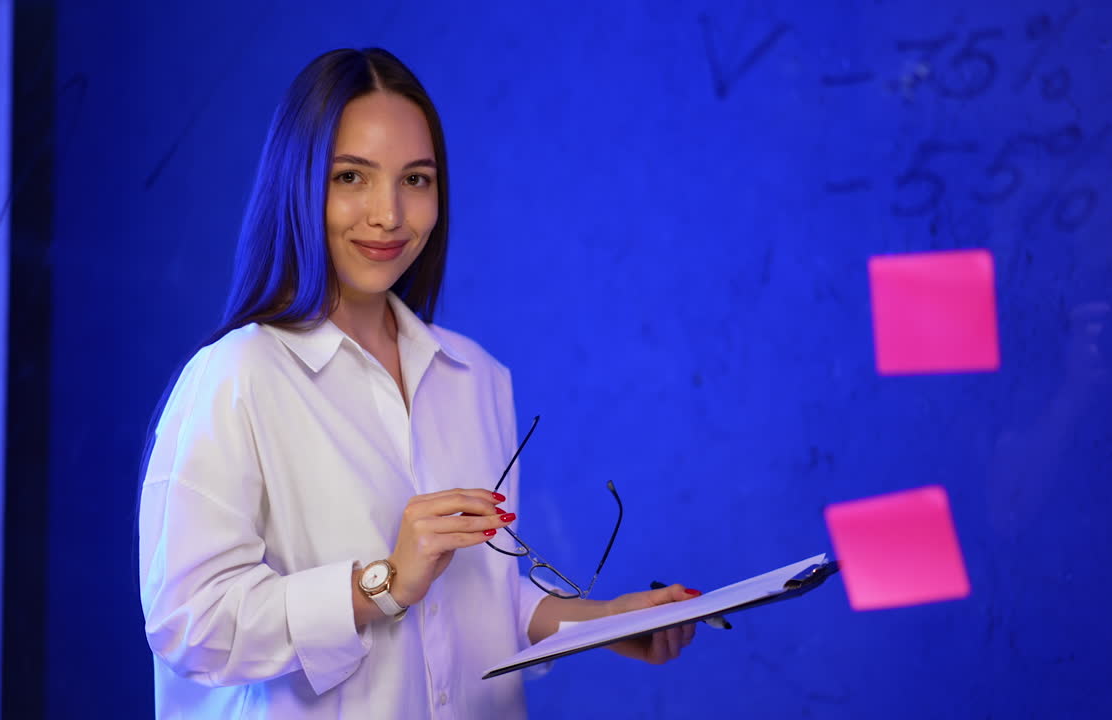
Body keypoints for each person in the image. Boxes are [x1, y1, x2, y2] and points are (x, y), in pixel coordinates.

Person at [137, 47, 699, 719]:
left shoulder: (475, 376)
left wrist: (604, 622)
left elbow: (480, 598)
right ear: (298, 183)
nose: (389, 214)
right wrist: (382, 584)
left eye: (416, 179)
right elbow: (190, 624)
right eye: (351, 177)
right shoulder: (236, 376)